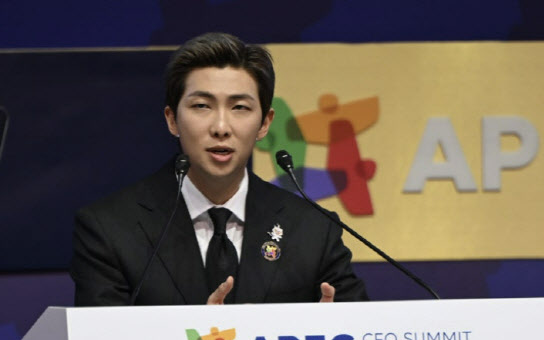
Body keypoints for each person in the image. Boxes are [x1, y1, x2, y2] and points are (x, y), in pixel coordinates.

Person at [70, 32, 368, 306]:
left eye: (240, 107)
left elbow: (361, 331)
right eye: (202, 106)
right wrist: (200, 335)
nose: (221, 127)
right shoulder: (110, 229)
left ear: (264, 123)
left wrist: (334, 329)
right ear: (172, 119)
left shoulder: (313, 229)